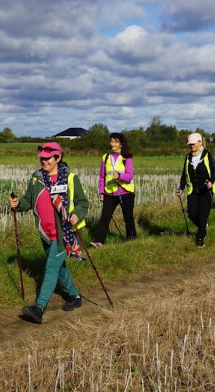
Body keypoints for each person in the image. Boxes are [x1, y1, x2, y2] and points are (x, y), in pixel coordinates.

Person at [9, 142, 88, 324]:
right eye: (42, 159)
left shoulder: (70, 178)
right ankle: (75, 297)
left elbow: (83, 202)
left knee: (51, 266)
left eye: (48, 159)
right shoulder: (37, 178)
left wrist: (76, 214)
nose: (44, 162)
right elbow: (29, 200)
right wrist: (18, 204)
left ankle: (39, 307)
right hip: (46, 232)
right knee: (59, 266)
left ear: (58, 158)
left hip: (65, 232)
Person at [92, 132, 136, 247]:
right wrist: (101, 192)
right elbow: (102, 177)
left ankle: (132, 240)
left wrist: (120, 176)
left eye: (116, 142)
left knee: (128, 218)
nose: (113, 144)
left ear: (121, 144)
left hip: (126, 192)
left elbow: (130, 175)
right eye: (111, 141)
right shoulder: (105, 157)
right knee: (104, 218)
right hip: (109, 193)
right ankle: (99, 242)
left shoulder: (126, 157)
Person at [175, 132, 215, 248]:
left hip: (206, 189)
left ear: (200, 143)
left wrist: (211, 182)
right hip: (192, 190)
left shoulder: (207, 155)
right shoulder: (188, 157)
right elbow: (184, 174)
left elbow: (214, 171)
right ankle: (203, 226)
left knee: (203, 215)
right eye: (189, 144)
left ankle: (200, 237)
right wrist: (181, 188)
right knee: (192, 214)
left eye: (193, 144)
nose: (191, 146)